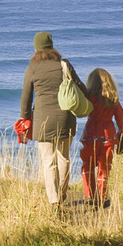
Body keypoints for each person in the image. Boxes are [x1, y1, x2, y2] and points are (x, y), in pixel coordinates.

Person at [20, 31, 86, 207]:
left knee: (48, 161)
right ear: (52, 47)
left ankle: (54, 201)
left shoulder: (32, 69)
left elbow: (26, 97)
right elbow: (81, 88)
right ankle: (63, 192)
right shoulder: (63, 65)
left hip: (42, 121)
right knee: (63, 158)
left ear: (36, 48)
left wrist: (25, 117)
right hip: (66, 118)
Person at [80, 68, 123, 206]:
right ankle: (102, 196)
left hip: (90, 134)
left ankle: (89, 194)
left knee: (87, 164)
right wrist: (121, 135)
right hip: (108, 136)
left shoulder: (89, 99)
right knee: (104, 167)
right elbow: (121, 118)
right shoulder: (113, 100)